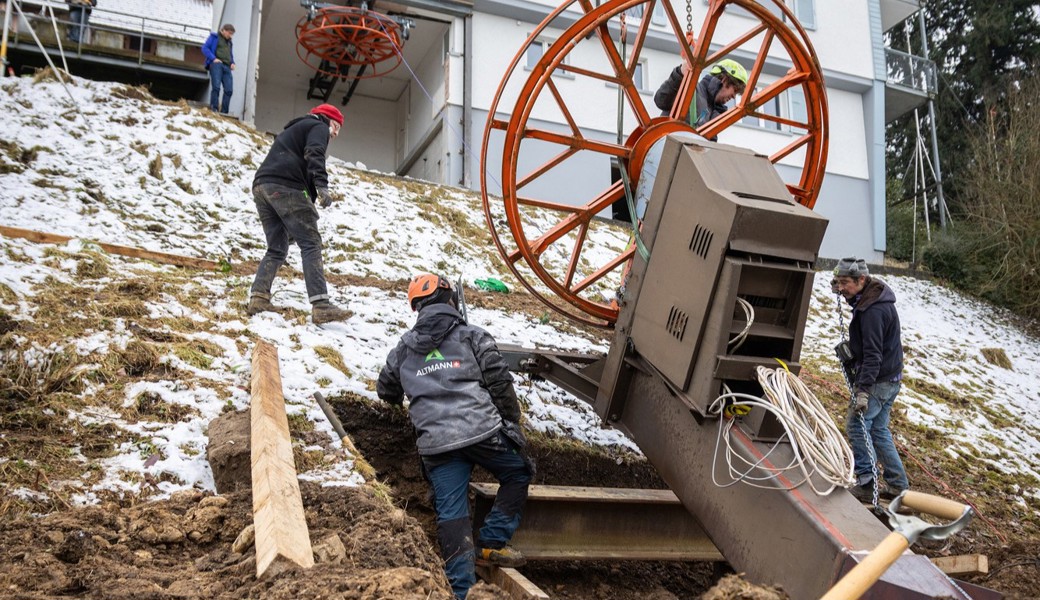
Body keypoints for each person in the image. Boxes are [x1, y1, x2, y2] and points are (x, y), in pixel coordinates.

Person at [377, 274, 533, 600]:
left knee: (452, 517)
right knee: (518, 471)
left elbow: (386, 389)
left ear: (417, 307)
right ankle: (490, 543)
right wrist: (511, 422)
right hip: (483, 432)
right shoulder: (472, 335)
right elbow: (499, 381)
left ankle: (462, 592)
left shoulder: (404, 348)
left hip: (437, 444)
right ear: (451, 301)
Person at [247, 103, 352, 325]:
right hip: (285, 187)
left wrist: (305, 209)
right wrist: (323, 186)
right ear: (329, 120)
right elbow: (314, 154)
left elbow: (299, 168)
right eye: (336, 128)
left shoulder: (293, 130)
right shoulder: (318, 126)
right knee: (311, 243)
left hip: (262, 186)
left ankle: (259, 297)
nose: (334, 134)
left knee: (277, 248)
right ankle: (321, 305)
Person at [833, 257, 910, 503]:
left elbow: (874, 355)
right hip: (891, 377)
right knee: (878, 429)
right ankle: (898, 485)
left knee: (857, 426)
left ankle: (867, 482)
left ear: (862, 280)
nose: (841, 288)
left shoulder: (873, 311)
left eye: (845, 283)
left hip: (877, 380)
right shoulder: (872, 298)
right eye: (838, 283)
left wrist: (863, 390)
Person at [653, 58, 748, 137]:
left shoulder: (716, 114)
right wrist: (679, 74)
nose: (734, 97)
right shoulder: (692, 89)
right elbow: (661, 100)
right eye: (735, 90)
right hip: (667, 148)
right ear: (724, 80)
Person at [202, 24, 235, 114]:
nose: (230, 35)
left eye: (232, 34)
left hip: (227, 66)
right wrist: (213, 58)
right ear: (223, 30)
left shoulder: (229, 42)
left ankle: (224, 111)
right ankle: (214, 108)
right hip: (217, 64)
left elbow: (230, 55)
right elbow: (204, 48)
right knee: (216, 87)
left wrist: (232, 63)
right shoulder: (214, 37)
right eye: (229, 33)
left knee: (229, 90)